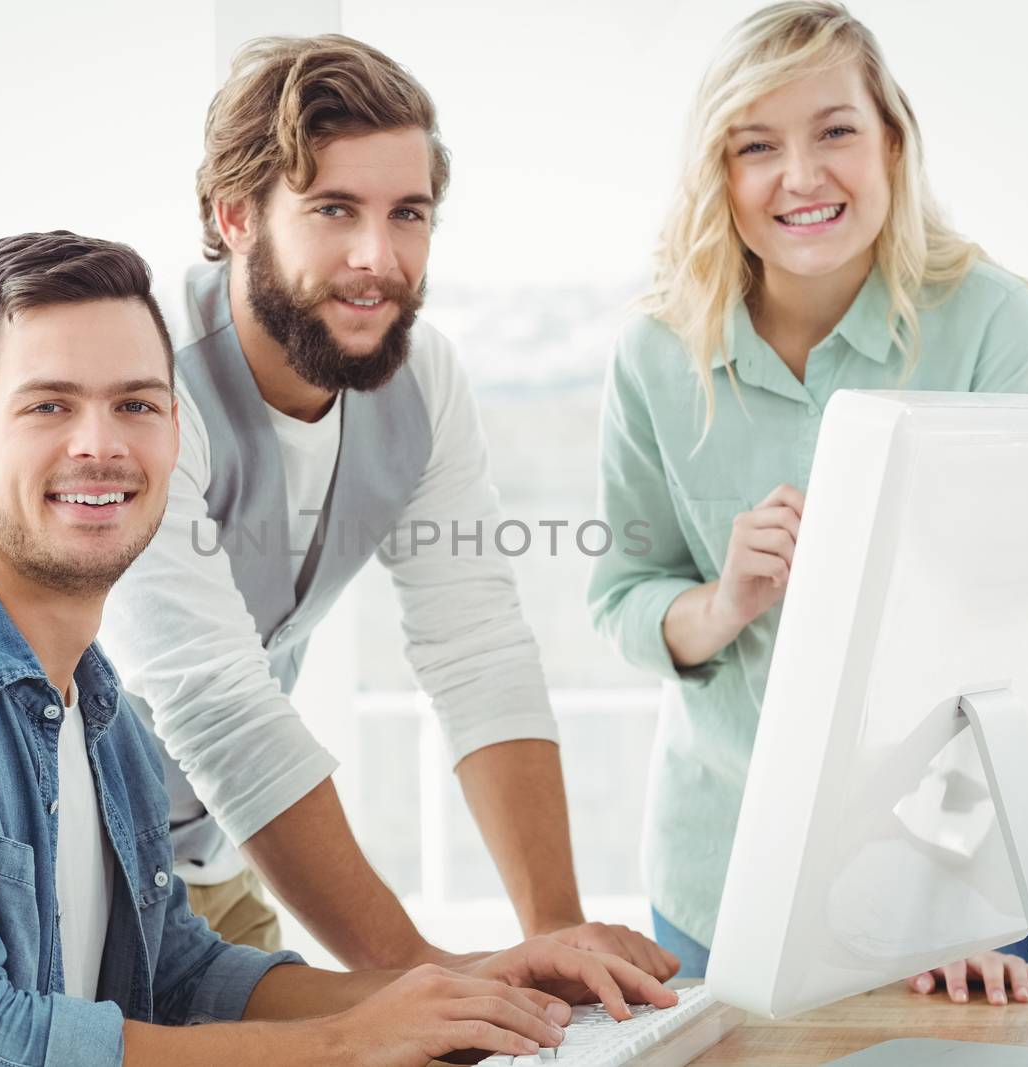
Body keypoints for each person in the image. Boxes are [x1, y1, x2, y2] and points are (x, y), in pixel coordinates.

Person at [0, 230, 675, 1066]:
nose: (101, 443)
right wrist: (346, 1042)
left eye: (137, 403)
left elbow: (178, 970)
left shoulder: (105, 713)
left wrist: (455, 986)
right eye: (49, 405)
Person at [98, 34, 675, 979]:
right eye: (334, 210)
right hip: (74, 873)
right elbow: (215, 702)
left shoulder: (422, 381)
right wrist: (417, 971)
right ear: (236, 215)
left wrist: (557, 936)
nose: (379, 257)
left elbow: (477, 647)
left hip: (223, 867)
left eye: (409, 213)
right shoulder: (144, 379)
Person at [587, 0, 1028, 1003]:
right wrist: (723, 602)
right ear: (720, 172)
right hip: (724, 876)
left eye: (834, 131)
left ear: (889, 140)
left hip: (952, 870)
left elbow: (1010, 633)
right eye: (757, 145)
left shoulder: (990, 323)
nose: (799, 176)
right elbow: (620, 592)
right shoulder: (655, 352)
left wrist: (939, 897)